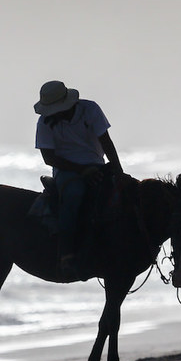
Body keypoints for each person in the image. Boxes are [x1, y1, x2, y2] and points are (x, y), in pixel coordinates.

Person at [34, 80, 123, 271]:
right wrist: (81, 170)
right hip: (66, 170)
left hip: (97, 164)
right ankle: (66, 252)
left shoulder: (90, 109)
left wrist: (118, 170)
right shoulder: (44, 122)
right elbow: (49, 158)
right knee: (73, 194)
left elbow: (106, 141)